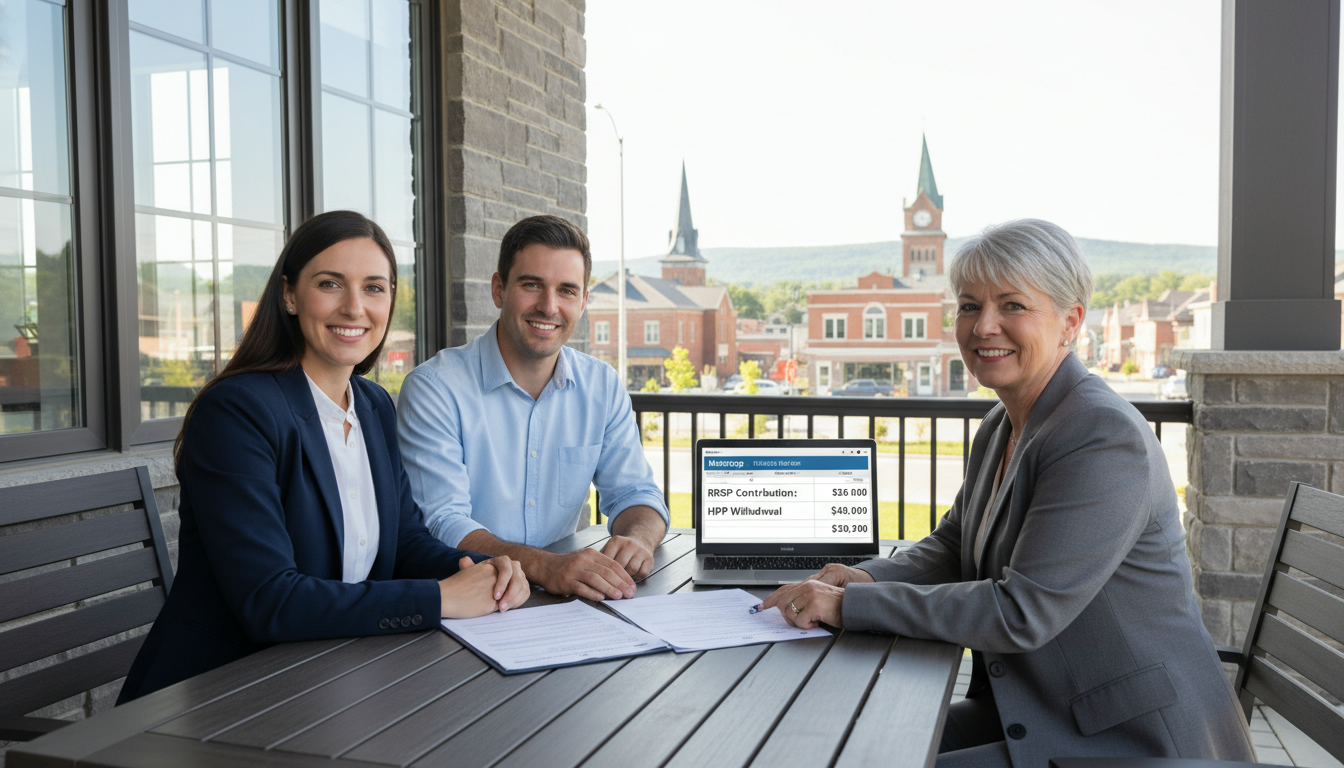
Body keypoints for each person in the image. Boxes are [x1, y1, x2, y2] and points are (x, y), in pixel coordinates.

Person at [760, 220, 1254, 768]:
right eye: (969, 306)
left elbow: (1022, 611)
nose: (983, 326)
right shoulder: (1004, 423)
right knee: (837, 741)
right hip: (1038, 708)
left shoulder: (1101, 436)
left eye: (1012, 305)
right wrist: (869, 576)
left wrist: (852, 606)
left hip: (1129, 739)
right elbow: (954, 544)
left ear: (1070, 322)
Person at [118, 211, 529, 703]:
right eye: (331, 284)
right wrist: (440, 598)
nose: (355, 307)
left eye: (374, 288)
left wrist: (488, 570)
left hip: (334, 679)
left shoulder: (373, 404)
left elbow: (405, 544)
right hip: (221, 695)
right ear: (290, 295)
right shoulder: (236, 413)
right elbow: (270, 600)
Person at [397, 215, 669, 602]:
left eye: (567, 291)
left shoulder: (602, 387)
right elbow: (443, 521)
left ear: (584, 302)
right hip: (466, 601)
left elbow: (636, 492)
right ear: (498, 290)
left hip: (563, 602)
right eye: (532, 285)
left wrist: (636, 540)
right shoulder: (434, 389)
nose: (549, 306)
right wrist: (546, 567)